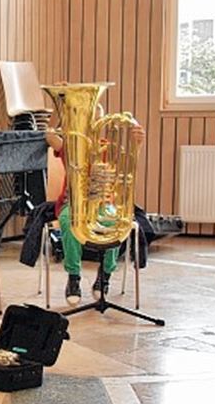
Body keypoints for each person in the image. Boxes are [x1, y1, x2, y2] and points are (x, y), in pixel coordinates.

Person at [44, 106, 145, 305]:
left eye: (94, 120)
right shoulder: (71, 146)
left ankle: (104, 275)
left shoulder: (109, 147)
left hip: (103, 203)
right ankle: (73, 277)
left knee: (116, 222)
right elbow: (49, 135)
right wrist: (59, 105)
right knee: (68, 221)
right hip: (72, 203)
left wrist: (137, 143)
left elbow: (128, 166)